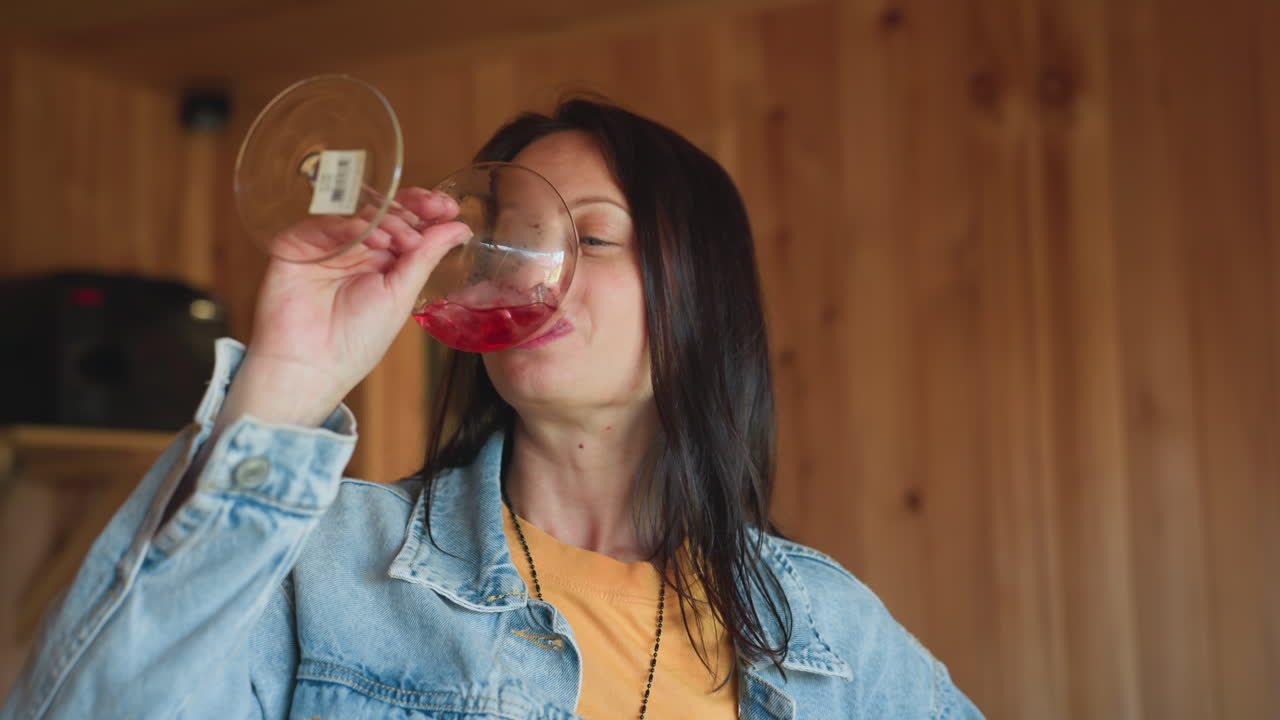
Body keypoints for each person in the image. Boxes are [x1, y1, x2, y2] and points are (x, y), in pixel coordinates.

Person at [1, 98, 983, 719]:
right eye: (506, 243)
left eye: (590, 239)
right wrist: (290, 380)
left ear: (702, 298)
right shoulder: (327, 563)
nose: (529, 278)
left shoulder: (822, 627)